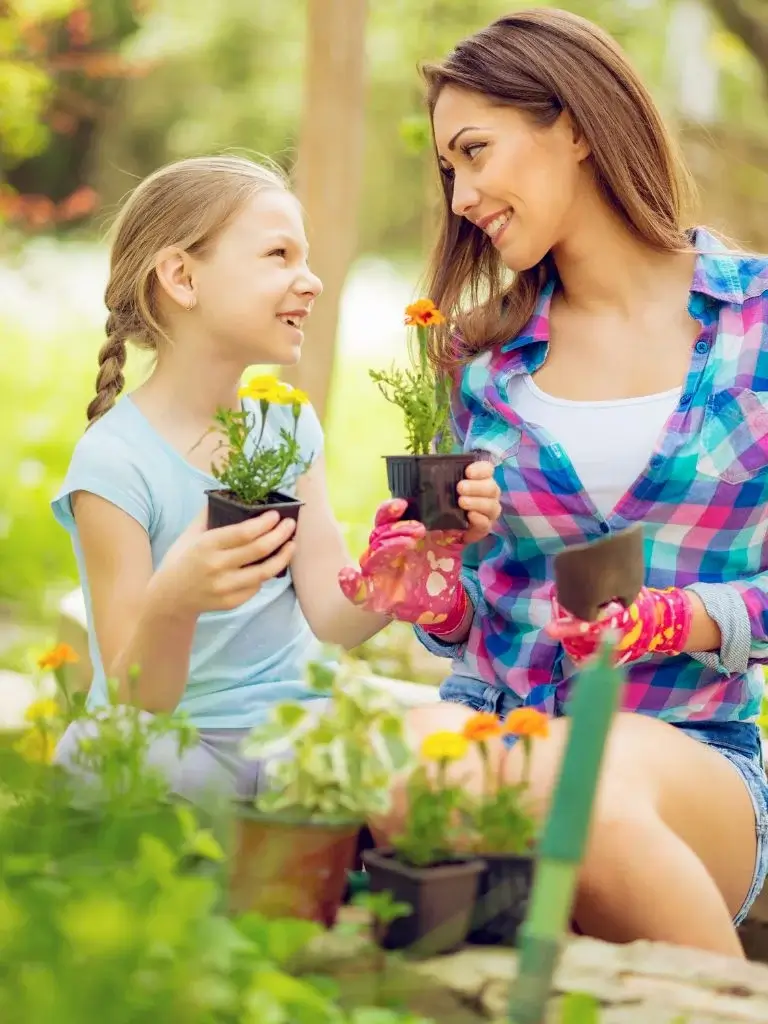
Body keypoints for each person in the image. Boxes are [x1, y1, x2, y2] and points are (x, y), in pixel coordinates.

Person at [357, 9, 768, 957]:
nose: (459, 196)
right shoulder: (476, 360)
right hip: (495, 724)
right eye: (446, 171)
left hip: (687, 755)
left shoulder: (756, 326)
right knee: (393, 763)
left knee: (582, 789)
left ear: (574, 125)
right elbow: (472, 613)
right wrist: (431, 584)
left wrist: (681, 619)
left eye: (475, 153)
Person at [51, 154, 501, 801]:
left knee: (425, 752)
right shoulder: (114, 463)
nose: (311, 281)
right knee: (107, 761)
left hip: (292, 734)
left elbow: (331, 617)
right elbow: (135, 694)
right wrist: (175, 598)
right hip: (169, 739)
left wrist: (394, 577)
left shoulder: (288, 429)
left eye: (306, 257)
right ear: (181, 276)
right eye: (279, 255)